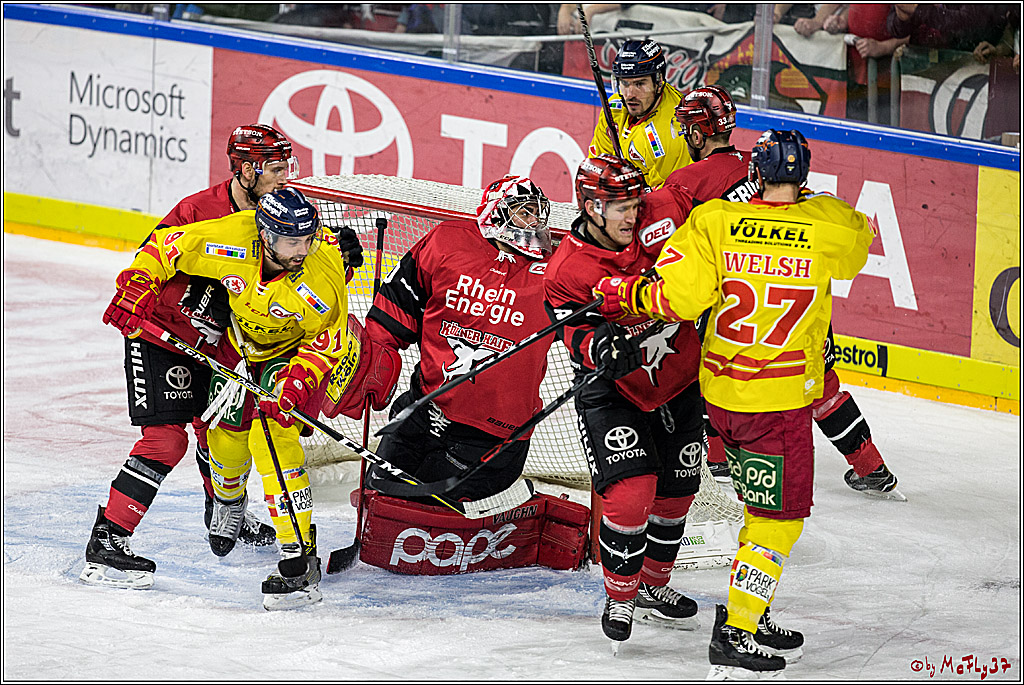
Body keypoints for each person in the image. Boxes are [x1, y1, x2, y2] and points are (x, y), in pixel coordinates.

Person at [594, 129, 875, 677]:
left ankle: (755, 608)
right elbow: (856, 245)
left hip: (720, 401)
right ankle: (739, 630)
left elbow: (677, 298)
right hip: (776, 407)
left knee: (756, 508)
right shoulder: (826, 224)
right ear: (803, 175)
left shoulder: (716, 222)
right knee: (777, 523)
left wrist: (623, 295)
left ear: (757, 173)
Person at [97, 186, 359, 610]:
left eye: (307, 239)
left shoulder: (319, 274)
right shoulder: (232, 238)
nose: (302, 249)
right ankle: (228, 498)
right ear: (266, 236)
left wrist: (294, 385)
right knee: (223, 437)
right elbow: (165, 247)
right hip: (238, 347)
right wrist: (138, 284)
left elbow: (328, 342)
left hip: (295, 357)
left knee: (272, 441)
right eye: (292, 241)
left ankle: (298, 557)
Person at [80, 124, 300, 592]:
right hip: (161, 336)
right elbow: (153, 256)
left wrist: (337, 251)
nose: (286, 178)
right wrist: (134, 289)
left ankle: (222, 516)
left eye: (287, 167)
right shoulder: (198, 211)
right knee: (165, 441)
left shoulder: (278, 215)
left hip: (219, 347)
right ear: (245, 170)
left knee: (217, 431)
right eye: (277, 169)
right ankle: (107, 542)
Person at [667, 85, 902, 498]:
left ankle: (721, 465)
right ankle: (870, 465)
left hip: (733, 316)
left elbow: (663, 244)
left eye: (687, 130)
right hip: (799, 310)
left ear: (697, 133)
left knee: (708, 379)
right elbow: (843, 227)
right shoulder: (764, 168)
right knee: (821, 387)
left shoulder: (686, 181)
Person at [544, 155, 706, 648]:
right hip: (613, 389)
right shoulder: (567, 268)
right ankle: (620, 594)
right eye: (620, 207)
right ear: (591, 207)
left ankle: (655, 587)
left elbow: (716, 197)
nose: (632, 215)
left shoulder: (664, 210)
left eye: (635, 203)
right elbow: (571, 331)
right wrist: (599, 347)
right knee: (632, 493)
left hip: (679, 379)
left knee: (679, 490)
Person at [362, 175, 556, 503]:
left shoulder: (555, 270)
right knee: (378, 493)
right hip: (424, 410)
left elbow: (594, 323)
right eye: (525, 213)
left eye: (539, 214)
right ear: (497, 215)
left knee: (424, 507)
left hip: (492, 437)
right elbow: (398, 302)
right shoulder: (447, 241)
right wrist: (374, 361)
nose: (535, 223)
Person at [588, 39, 692, 188]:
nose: (630, 94)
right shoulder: (615, 108)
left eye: (640, 84)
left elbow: (670, 198)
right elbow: (596, 166)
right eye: (625, 83)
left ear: (658, 81)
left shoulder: (671, 132)